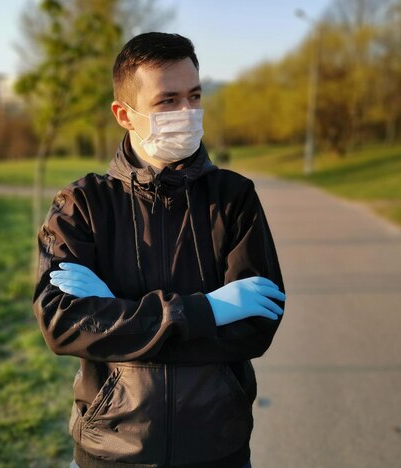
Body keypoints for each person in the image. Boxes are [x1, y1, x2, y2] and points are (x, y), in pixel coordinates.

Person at [33, 32, 286, 468]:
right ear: (124, 114)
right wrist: (205, 313)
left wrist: (113, 312)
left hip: (216, 450)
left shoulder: (235, 198)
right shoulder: (81, 204)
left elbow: (256, 328)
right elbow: (61, 324)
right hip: (110, 453)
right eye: (167, 101)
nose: (187, 113)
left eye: (194, 96)